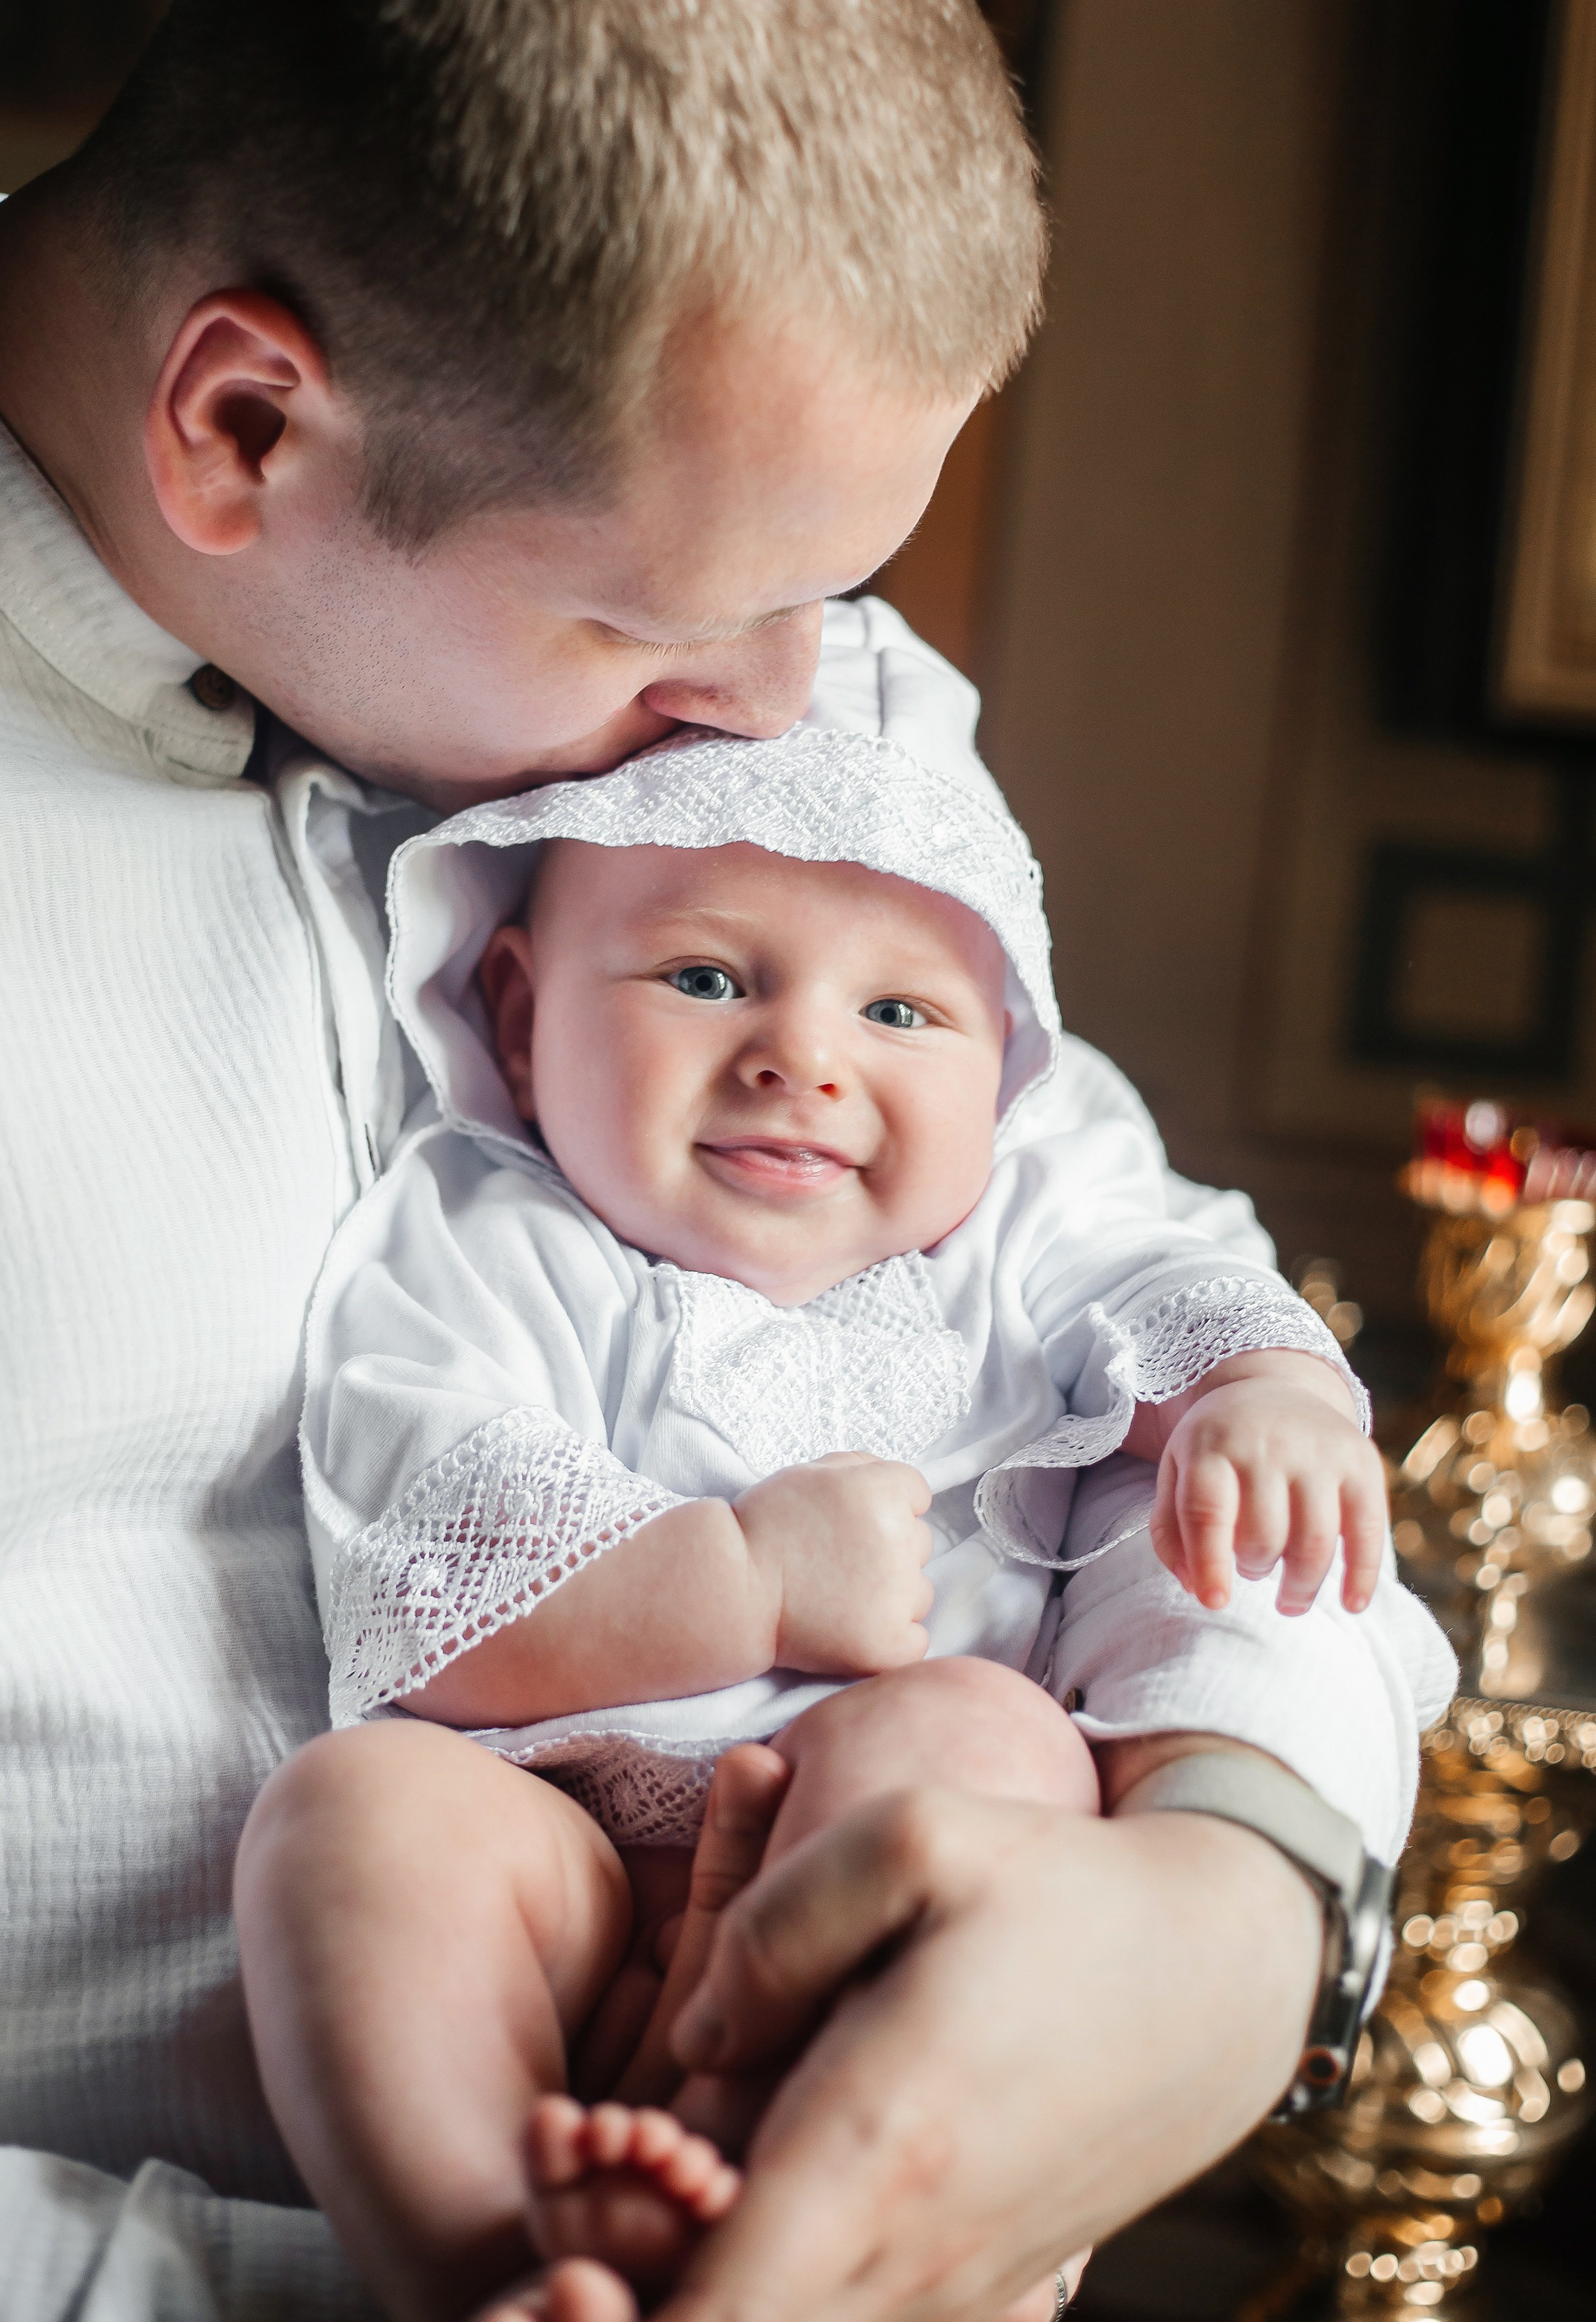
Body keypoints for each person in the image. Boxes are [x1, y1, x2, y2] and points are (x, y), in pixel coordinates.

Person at [0, 0, 1439, 2322]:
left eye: (838, 601)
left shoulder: (691, 635)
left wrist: (1247, 1899)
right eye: (670, 636)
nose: (800, 718)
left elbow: (1080, 1255)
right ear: (244, 431)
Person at [233, 622, 1445, 2322]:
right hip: (565, 1853)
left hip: (872, 1860)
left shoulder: (1022, 1223)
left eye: (898, 1009)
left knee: (985, 1737)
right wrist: (747, 1582)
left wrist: (1260, 1392)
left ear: (1004, 1064)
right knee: (351, 1819)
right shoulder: (479, 1231)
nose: (803, 1057)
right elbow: (421, 1577)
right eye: (707, 978)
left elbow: (1171, 1271)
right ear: (516, 1016)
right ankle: (483, 2253)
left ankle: (756, 2173)